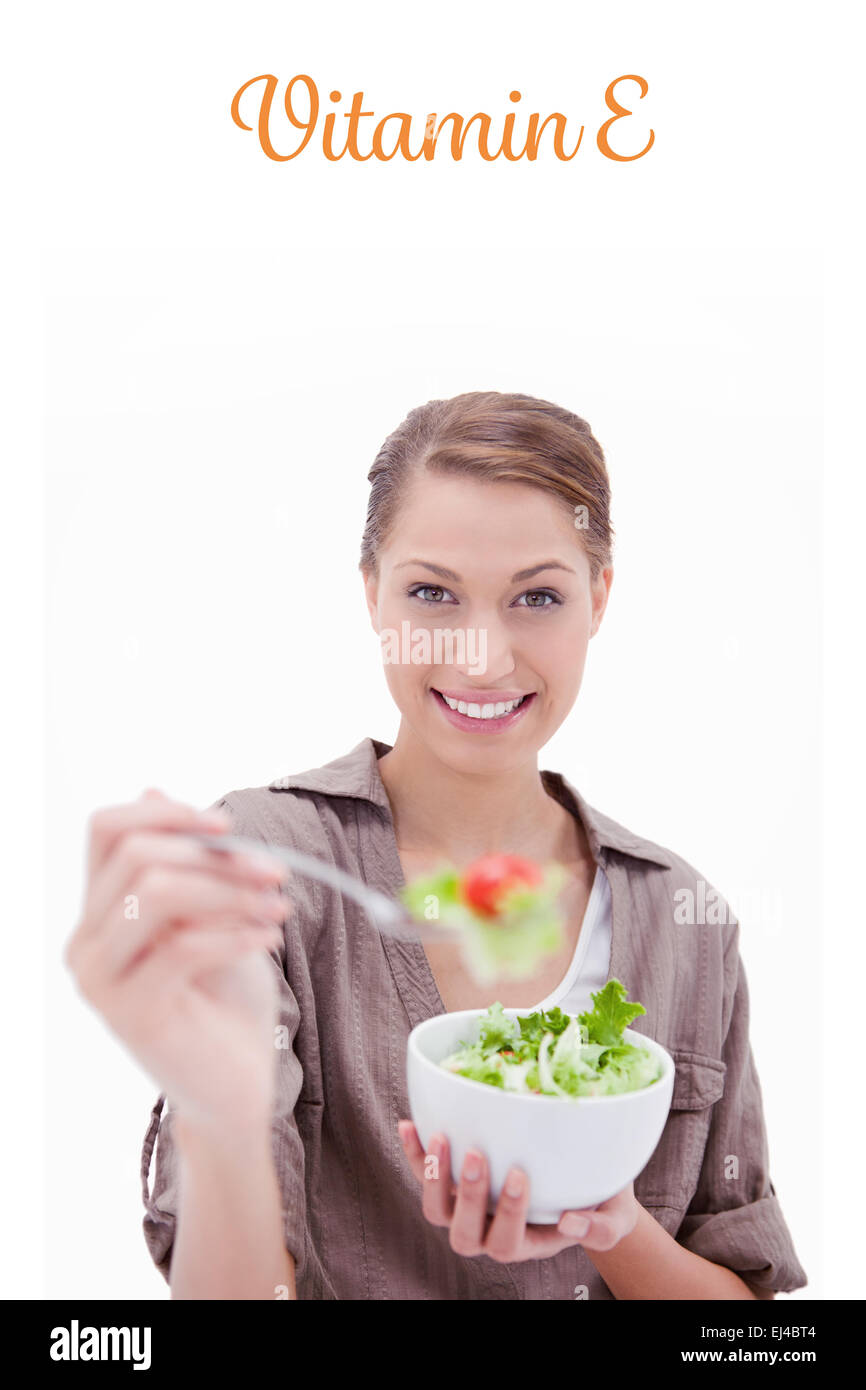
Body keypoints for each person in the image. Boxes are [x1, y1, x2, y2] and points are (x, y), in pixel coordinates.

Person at [65, 390, 808, 1300]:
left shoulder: (686, 922)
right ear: (370, 592)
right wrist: (218, 1119)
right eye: (430, 593)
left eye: (538, 596)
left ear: (599, 599)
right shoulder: (265, 862)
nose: (482, 658)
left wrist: (610, 1222)